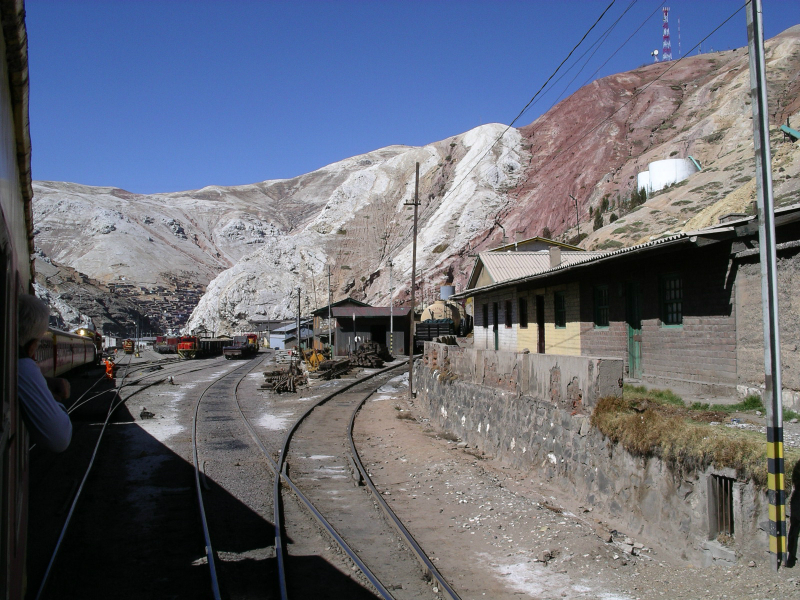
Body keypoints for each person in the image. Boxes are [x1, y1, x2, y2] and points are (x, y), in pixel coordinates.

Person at [17, 294, 72, 452]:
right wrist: (52, 399)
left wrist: (44, 381)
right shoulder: (22, 365)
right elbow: (59, 438)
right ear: (32, 347)